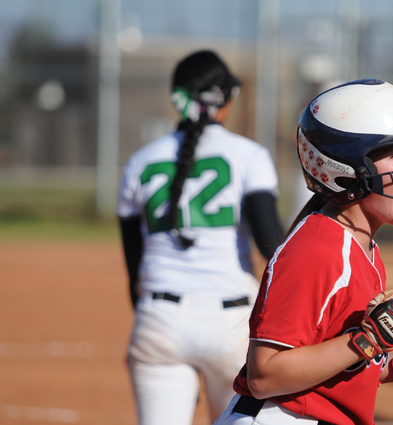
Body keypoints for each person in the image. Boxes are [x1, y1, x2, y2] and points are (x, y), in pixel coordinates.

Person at [213, 79, 393, 425]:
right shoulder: (317, 249)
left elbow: (330, 366)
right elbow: (264, 375)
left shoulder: (361, 245)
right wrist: (365, 340)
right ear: (347, 170)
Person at [117, 50, 285, 425]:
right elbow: (273, 247)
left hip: (158, 321)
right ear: (224, 101)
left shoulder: (138, 162)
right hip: (232, 323)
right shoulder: (249, 156)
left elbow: (135, 270)